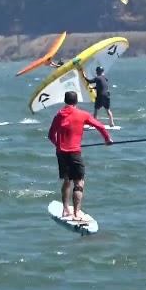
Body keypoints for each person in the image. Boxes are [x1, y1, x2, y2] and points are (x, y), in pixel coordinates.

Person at [48, 91, 112, 221]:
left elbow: (50, 135)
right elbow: (100, 126)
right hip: (74, 153)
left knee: (67, 180)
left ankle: (66, 210)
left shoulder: (59, 115)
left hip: (61, 153)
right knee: (79, 183)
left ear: (65, 101)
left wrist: (58, 145)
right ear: (76, 102)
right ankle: (76, 213)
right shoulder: (83, 114)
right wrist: (107, 139)